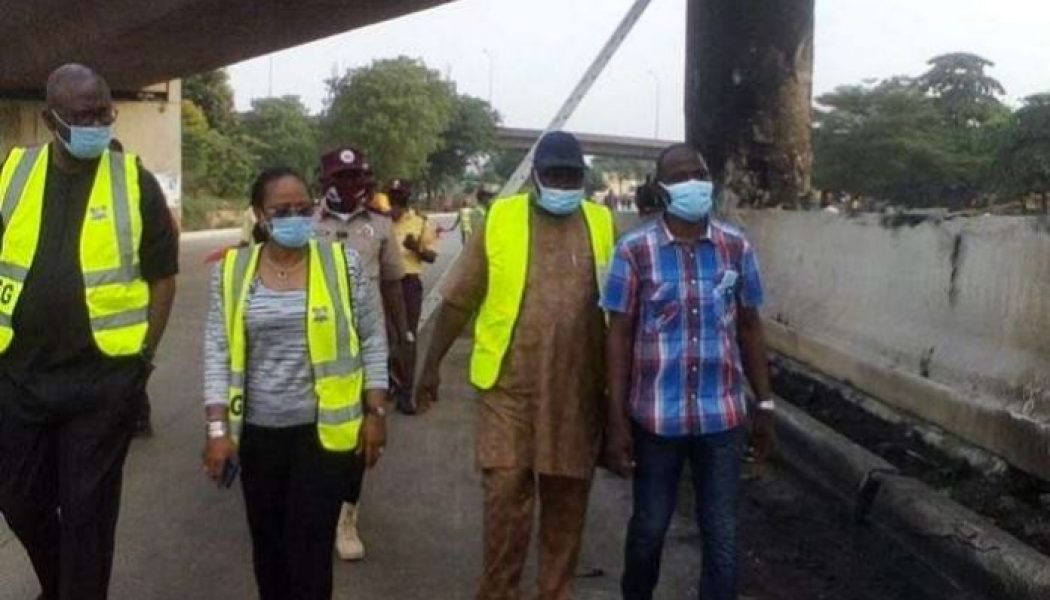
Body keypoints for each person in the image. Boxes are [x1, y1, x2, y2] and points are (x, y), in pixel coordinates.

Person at [0, 64, 179, 600]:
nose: (99, 123)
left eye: (105, 111)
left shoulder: (134, 181)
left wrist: (141, 360)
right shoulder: (12, 174)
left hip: (101, 384)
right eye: (85, 115)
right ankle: (60, 586)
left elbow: (163, 279)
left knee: (87, 516)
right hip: (19, 376)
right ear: (52, 118)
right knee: (19, 499)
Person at [415, 131, 614, 600]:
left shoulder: (602, 221)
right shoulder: (501, 219)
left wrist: (618, 395)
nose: (564, 184)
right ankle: (499, 591)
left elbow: (618, 310)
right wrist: (430, 367)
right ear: (535, 177)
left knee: (567, 498)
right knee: (506, 495)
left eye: (572, 176)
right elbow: (461, 299)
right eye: (555, 175)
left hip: (577, 387)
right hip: (509, 386)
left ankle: (555, 591)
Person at [201, 167, 388, 600]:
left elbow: (373, 338)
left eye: (303, 208)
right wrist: (216, 432)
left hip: (323, 435)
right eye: (281, 210)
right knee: (268, 552)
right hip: (259, 436)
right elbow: (217, 352)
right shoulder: (232, 271)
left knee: (309, 554)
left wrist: (375, 412)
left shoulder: (343, 265)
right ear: (258, 215)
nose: (294, 217)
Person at [602, 144, 776, 600]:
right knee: (649, 530)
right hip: (657, 420)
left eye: (697, 173)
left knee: (722, 535)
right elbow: (618, 335)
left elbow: (750, 326)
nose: (692, 183)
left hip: (722, 419)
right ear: (662, 190)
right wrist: (616, 419)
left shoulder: (735, 247)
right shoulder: (634, 250)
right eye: (679, 177)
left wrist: (765, 404)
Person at [313, 146, 408, 561]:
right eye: (340, 178)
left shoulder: (381, 227)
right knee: (311, 432)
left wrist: (402, 338)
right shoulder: (306, 221)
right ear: (325, 181)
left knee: (357, 435)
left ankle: (346, 516)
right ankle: (313, 508)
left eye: (355, 179)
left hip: (361, 345)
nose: (349, 185)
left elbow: (392, 286)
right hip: (312, 344)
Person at [387, 179, 438, 414]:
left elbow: (431, 257)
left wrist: (416, 248)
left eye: (400, 200)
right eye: (392, 199)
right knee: (384, 336)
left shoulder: (421, 223)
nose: (395, 204)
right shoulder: (380, 222)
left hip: (408, 284)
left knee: (407, 337)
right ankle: (388, 383)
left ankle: (406, 393)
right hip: (384, 283)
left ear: (406, 201)